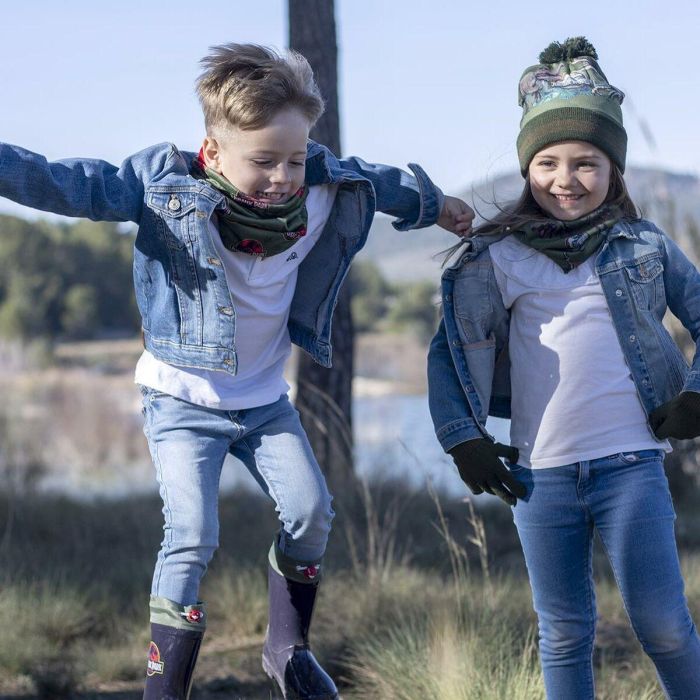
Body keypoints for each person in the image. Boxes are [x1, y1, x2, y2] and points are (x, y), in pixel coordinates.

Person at [0, 43, 474, 700]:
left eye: (295, 157)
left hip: (262, 401)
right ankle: (163, 691)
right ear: (214, 153)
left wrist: (439, 203)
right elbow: (69, 183)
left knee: (312, 513)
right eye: (264, 160)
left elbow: (382, 181)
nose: (283, 175)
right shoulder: (164, 188)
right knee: (192, 534)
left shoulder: (320, 183)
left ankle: (286, 650)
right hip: (181, 398)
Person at [428, 36, 700, 698]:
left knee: (663, 624)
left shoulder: (644, 245)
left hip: (631, 466)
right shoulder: (496, 257)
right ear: (527, 170)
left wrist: (697, 393)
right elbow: (449, 349)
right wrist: (463, 438)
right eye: (547, 161)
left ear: (614, 171)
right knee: (565, 632)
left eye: (586, 163)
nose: (565, 178)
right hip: (539, 476)